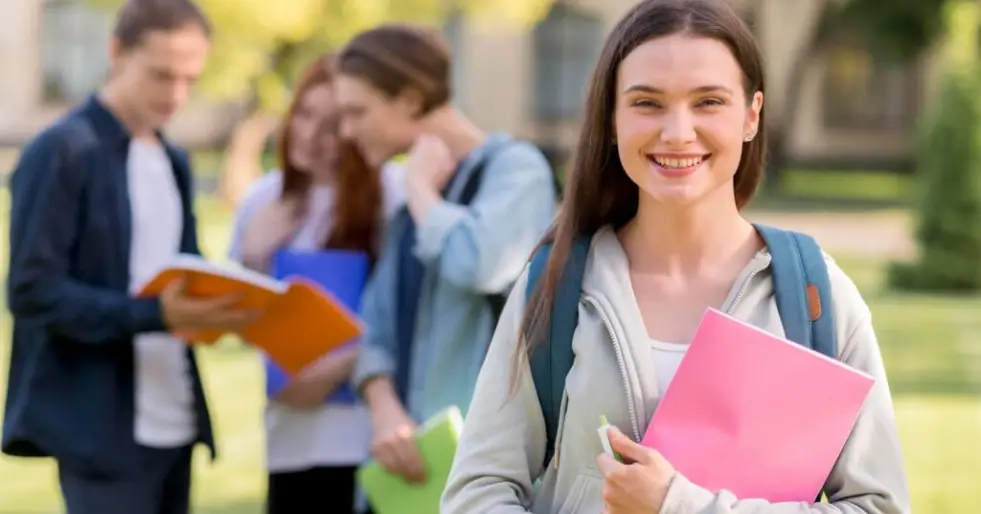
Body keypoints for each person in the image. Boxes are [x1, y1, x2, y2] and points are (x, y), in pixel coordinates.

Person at [440, 0, 911, 513]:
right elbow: (478, 491)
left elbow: (877, 507)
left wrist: (677, 505)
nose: (678, 132)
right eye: (647, 103)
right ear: (612, 119)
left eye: (708, 101)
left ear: (751, 116)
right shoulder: (558, 284)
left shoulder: (815, 295)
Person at [1, 1, 254, 513]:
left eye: (190, 78)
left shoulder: (174, 159)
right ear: (117, 52)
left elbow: (182, 270)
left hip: (175, 419)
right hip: (99, 429)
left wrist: (216, 307)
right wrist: (155, 314)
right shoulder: (61, 150)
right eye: (161, 75)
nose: (176, 95)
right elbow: (30, 289)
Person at [333, 24, 557, 487]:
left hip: (485, 478)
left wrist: (419, 191)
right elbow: (370, 326)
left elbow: (481, 264)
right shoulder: (415, 205)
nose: (347, 131)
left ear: (412, 99)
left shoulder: (517, 169)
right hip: (405, 473)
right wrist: (383, 405)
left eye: (357, 111)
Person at [227, 54, 404, 514]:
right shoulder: (264, 200)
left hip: (373, 436)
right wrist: (253, 255)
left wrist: (342, 364)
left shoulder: (394, 195)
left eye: (331, 124)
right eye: (304, 114)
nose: (311, 135)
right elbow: (234, 322)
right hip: (291, 439)